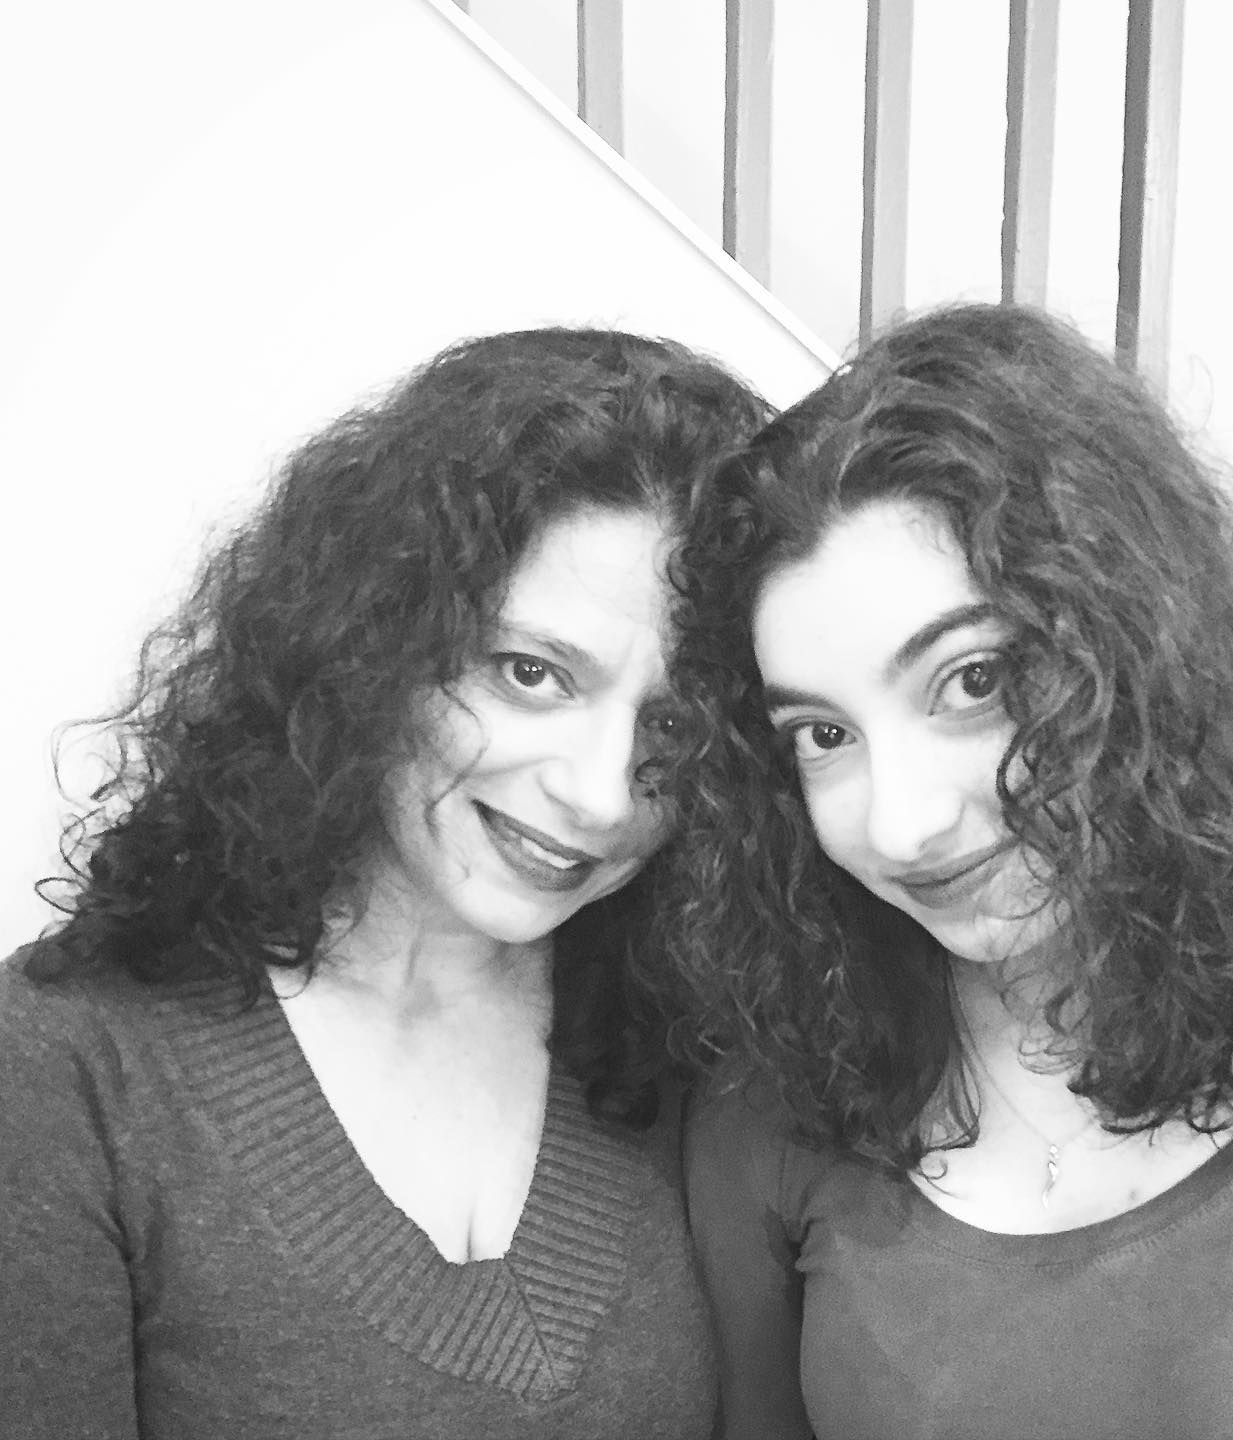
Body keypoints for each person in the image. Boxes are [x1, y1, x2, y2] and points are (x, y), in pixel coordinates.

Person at [656, 303, 1233, 1439]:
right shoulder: (786, 1072)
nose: (905, 823)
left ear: (1134, 650)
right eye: (823, 736)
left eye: (973, 682)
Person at [0, 328, 768, 1438]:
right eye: (531, 673)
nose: (601, 795)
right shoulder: (70, 1065)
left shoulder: (698, 1046)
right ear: (374, 644)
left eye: (674, 727)